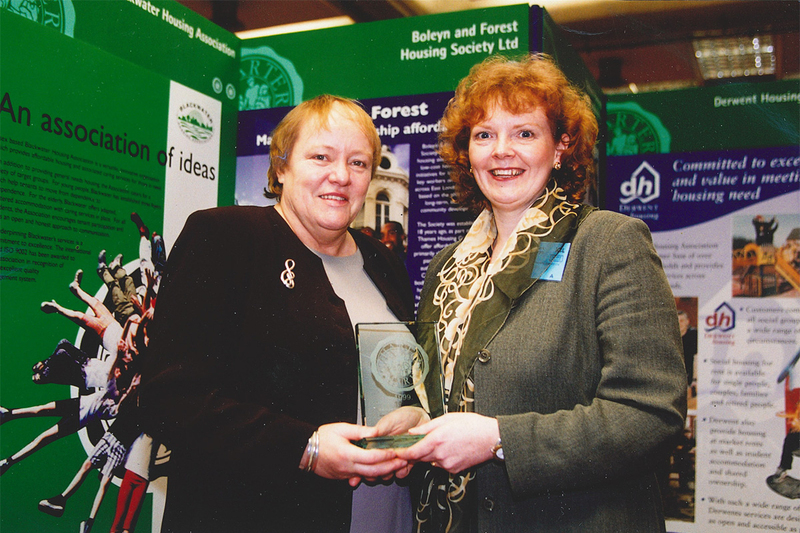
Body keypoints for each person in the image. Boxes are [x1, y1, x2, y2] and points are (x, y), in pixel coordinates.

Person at [392, 54, 687, 532]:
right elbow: (434, 389)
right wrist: (410, 419)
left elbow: (650, 415)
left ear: (561, 147)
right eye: (484, 135)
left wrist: (500, 439)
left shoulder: (607, 242)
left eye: (524, 133)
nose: (501, 151)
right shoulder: (447, 266)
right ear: (467, 153)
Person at [138, 94, 414, 533]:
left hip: (384, 514)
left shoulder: (384, 263)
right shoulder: (226, 238)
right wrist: (306, 448)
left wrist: (414, 415)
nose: (341, 175)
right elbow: (168, 400)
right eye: (321, 157)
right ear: (281, 166)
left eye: (358, 163)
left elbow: (400, 377)